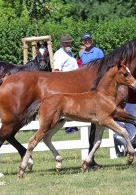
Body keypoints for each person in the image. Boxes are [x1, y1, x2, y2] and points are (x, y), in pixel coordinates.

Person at [79, 33, 104, 169]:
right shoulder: (82, 54)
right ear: (83, 42)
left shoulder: (98, 51)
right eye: (85, 40)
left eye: (88, 40)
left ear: (91, 40)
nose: (87, 42)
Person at [53, 34, 79, 133]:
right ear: (61, 43)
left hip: (74, 82)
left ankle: (73, 125)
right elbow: (57, 71)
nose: (68, 43)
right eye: (66, 42)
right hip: (66, 83)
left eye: (69, 42)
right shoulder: (59, 54)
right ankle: (69, 127)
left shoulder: (70, 53)